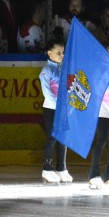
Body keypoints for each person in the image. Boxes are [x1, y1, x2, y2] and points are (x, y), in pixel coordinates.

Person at [38, 38, 71, 183]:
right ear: (49, 53)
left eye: (63, 52)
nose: (62, 55)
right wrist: (60, 105)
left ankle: (61, 168)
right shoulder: (46, 70)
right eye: (58, 52)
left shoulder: (64, 68)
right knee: (52, 138)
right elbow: (47, 93)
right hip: (51, 109)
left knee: (63, 138)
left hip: (63, 108)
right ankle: (47, 169)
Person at [88, 45, 109, 189]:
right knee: (101, 141)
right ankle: (94, 173)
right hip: (102, 112)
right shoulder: (97, 70)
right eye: (108, 53)